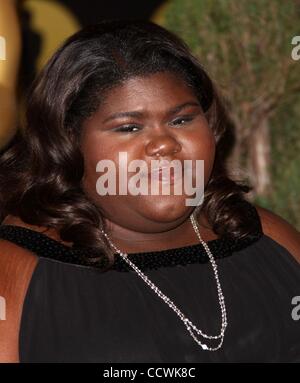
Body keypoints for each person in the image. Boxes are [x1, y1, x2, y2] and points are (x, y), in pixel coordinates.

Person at [0, 19, 299, 363]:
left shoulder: (263, 235)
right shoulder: (19, 271)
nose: (163, 144)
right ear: (68, 143)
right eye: (129, 127)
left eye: (181, 120)